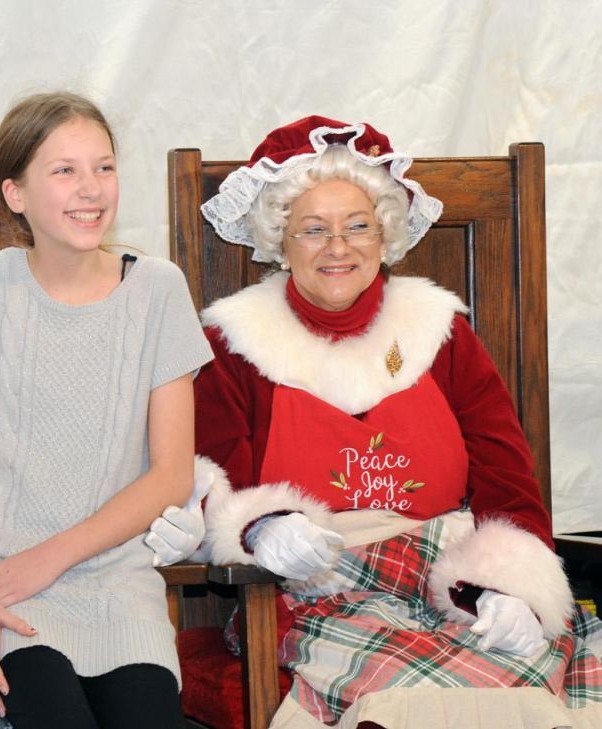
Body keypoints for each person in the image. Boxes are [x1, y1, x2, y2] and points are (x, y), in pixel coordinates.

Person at [186, 116, 602, 728]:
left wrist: (510, 583)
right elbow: (212, 475)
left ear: (385, 235)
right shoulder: (233, 343)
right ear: (280, 239)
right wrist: (260, 528)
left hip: (455, 579)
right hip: (318, 590)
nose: (338, 247)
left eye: (359, 226)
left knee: (522, 680)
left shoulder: (440, 329)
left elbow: (503, 465)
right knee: (411, 697)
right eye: (313, 230)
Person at [0, 92, 214, 728]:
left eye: (104, 167)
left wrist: (52, 557)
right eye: (64, 171)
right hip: (2, 584)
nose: (91, 190)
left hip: (119, 585)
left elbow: (170, 474)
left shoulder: (158, 289)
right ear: (16, 194)